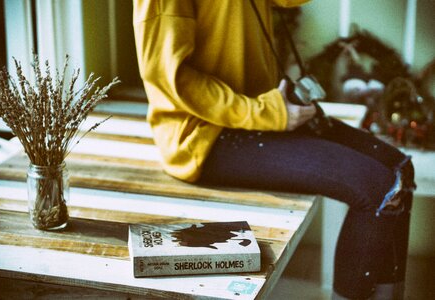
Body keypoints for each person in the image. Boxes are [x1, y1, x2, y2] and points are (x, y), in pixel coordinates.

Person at [132, 1, 416, 299]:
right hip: (204, 136)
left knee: (400, 169)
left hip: (264, 112)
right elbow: (168, 76)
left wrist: (268, 111)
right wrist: (265, 112)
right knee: (381, 188)